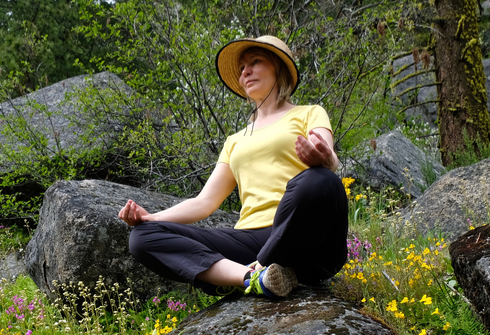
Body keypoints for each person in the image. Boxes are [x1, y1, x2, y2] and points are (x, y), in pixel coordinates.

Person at [119, 35, 349, 299]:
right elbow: (204, 202)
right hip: (251, 241)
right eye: (241, 68)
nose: (245, 71)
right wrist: (151, 218)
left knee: (321, 180)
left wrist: (328, 161)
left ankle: (259, 266)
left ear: (278, 67)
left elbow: (327, 155)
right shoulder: (235, 140)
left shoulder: (309, 113)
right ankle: (254, 278)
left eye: (255, 62)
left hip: (308, 238)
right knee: (142, 238)